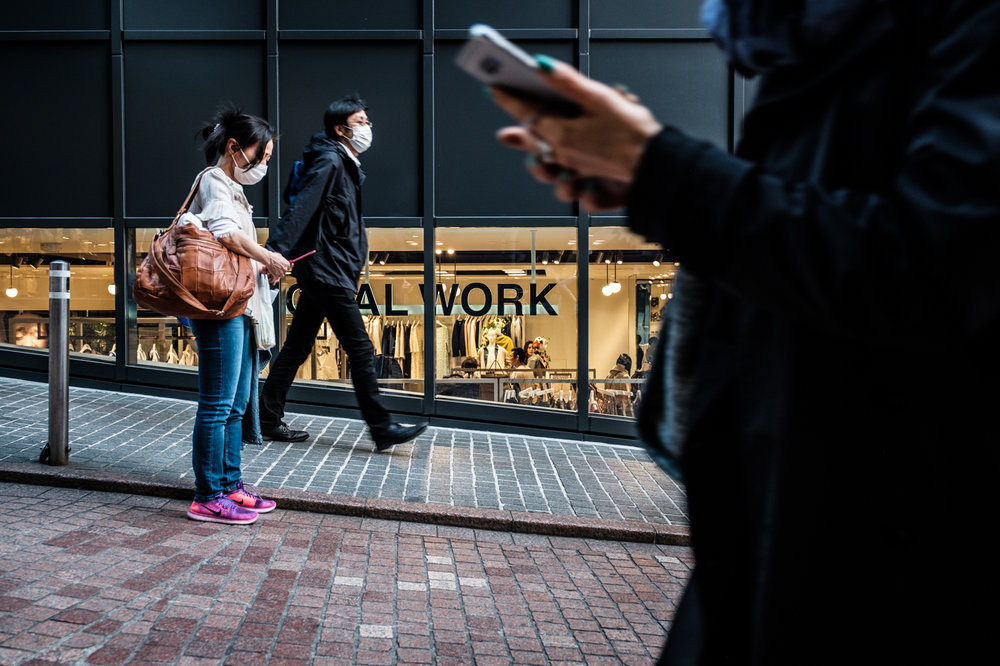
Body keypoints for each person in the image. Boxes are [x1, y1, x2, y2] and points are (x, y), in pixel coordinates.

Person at [486, 2, 999, 663]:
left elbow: (934, 265)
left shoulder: (939, 28)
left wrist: (660, 172)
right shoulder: (810, 43)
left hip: (895, 548)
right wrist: (644, 172)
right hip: (778, 511)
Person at [261, 95, 427, 450]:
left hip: (330, 269)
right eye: (361, 121)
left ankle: (266, 417)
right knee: (361, 349)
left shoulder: (344, 162)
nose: (368, 128)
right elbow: (302, 208)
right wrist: (273, 253)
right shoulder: (331, 160)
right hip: (327, 271)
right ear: (341, 129)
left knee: (296, 346)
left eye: (368, 121)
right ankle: (381, 427)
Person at [183, 107, 290, 525]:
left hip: (240, 307)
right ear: (234, 148)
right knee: (217, 404)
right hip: (221, 309)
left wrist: (265, 266)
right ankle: (207, 495)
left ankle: (230, 485)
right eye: (260, 156)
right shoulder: (214, 180)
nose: (263, 165)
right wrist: (268, 255)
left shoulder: (233, 188)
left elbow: (232, 249)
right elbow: (226, 232)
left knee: (233, 407)